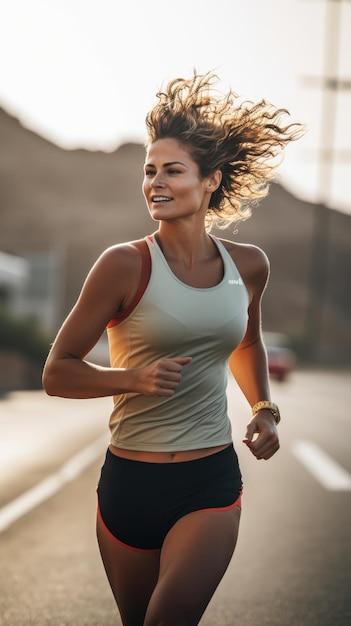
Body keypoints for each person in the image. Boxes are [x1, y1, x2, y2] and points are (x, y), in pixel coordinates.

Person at [42, 70, 304, 626]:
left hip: (207, 481)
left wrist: (263, 409)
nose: (155, 182)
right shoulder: (123, 264)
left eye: (173, 170)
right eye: (149, 170)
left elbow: (248, 342)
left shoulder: (248, 265)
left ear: (210, 181)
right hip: (128, 485)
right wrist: (130, 379)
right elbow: (57, 373)